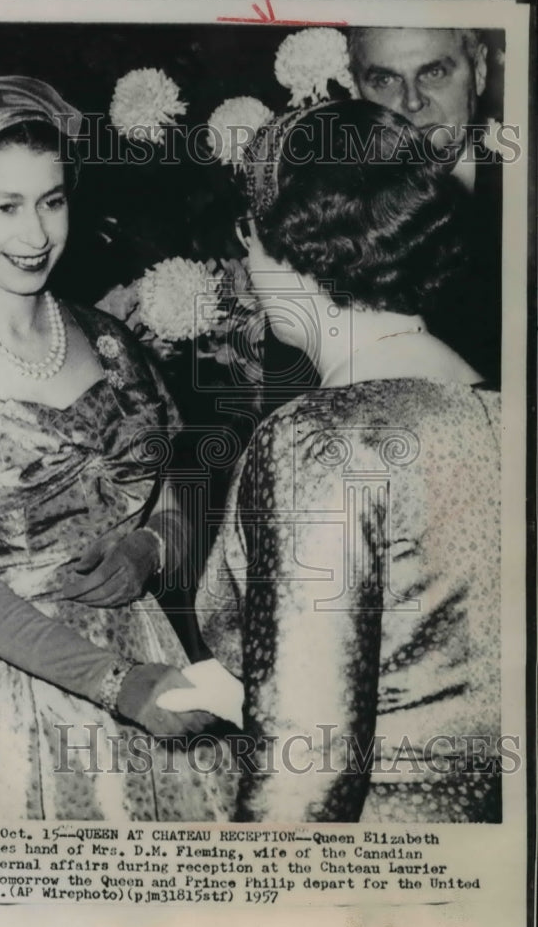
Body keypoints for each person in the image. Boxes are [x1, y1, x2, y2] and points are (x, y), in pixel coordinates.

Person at [0, 75, 239, 820]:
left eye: (52, 200)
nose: (35, 236)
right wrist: (119, 684)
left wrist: (148, 549)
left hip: (155, 660)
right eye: (3, 206)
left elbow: (171, 504)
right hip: (16, 688)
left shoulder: (109, 338)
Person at [195, 100, 501, 823]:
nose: (245, 258)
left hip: (374, 879)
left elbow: (304, 775)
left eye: (248, 233)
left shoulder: (318, 439)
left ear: (285, 242)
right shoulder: (499, 409)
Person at [347, 26, 502, 383]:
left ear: (478, 72)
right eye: (385, 80)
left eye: (434, 73)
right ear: (356, 87)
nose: (413, 101)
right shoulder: (327, 216)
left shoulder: (523, 204)